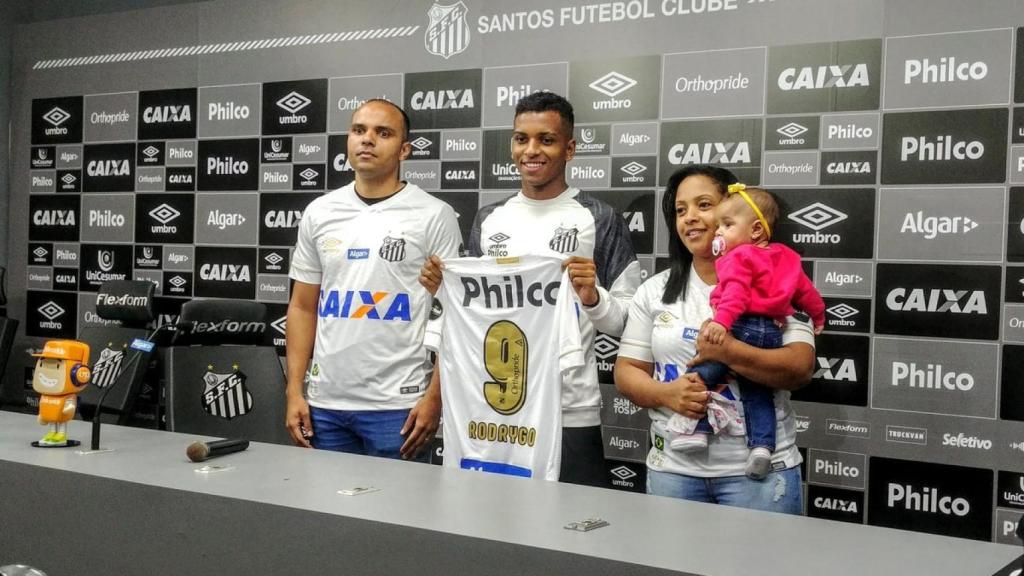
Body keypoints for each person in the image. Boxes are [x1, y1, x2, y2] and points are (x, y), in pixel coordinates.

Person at [420, 91, 642, 487]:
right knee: (490, 518)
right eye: (522, 139)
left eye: (547, 140)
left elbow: (625, 322)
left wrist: (593, 297)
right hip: (491, 408)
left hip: (569, 408)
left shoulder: (600, 218)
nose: (532, 150)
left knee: (573, 520)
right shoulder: (490, 218)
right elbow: (471, 315)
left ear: (569, 148)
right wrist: (443, 291)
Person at [614, 165, 815, 514]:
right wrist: (667, 394)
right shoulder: (654, 290)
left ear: (736, 212)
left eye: (704, 205)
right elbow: (627, 370)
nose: (690, 217)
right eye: (680, 210)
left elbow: (799, 368)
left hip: (759, 477)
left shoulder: (779, 278)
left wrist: (727, 351)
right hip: (673, 471)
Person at [285, 98, 462, 460]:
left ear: (404, 150)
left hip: (399, 407)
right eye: (358, 130)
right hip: (325, 406)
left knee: (398, 500)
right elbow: (302, 307)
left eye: (383, 133)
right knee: (324, 499)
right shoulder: (320, 212)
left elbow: (455, 315)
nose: (367, 139)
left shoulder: (434, 215)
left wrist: (435, 397)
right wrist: (294, 391)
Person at [665, 183, 825, 480]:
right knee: (758, 392)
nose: (718, 232)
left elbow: (735, 294)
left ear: (755, 230)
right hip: (771, 334)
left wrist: (721, 324)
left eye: (726, 225)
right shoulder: (787, 256)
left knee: (703, 374)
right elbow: (806, 292)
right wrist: (818, 316)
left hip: (740, 326)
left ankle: (696, 429)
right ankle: (762, 447)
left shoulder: (738, 257)